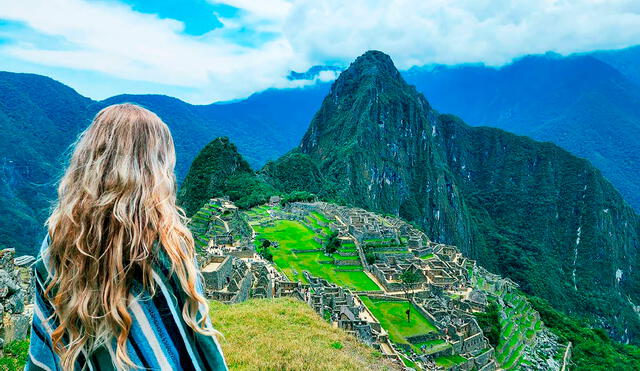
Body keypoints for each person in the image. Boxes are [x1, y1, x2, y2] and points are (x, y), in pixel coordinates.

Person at [26, 104, 227, 370]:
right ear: (153, 169)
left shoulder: (56, 244)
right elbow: (194, 341)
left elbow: (47, 346)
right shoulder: (165, 246)